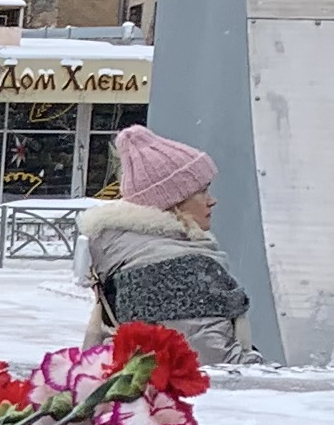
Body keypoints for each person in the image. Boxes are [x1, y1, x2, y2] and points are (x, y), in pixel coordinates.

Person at [83, 125, 253, 357]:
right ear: (173, 201)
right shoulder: (174, 269)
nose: (212, 201)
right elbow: (210, 362)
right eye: (202, 191)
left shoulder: (131, 251)